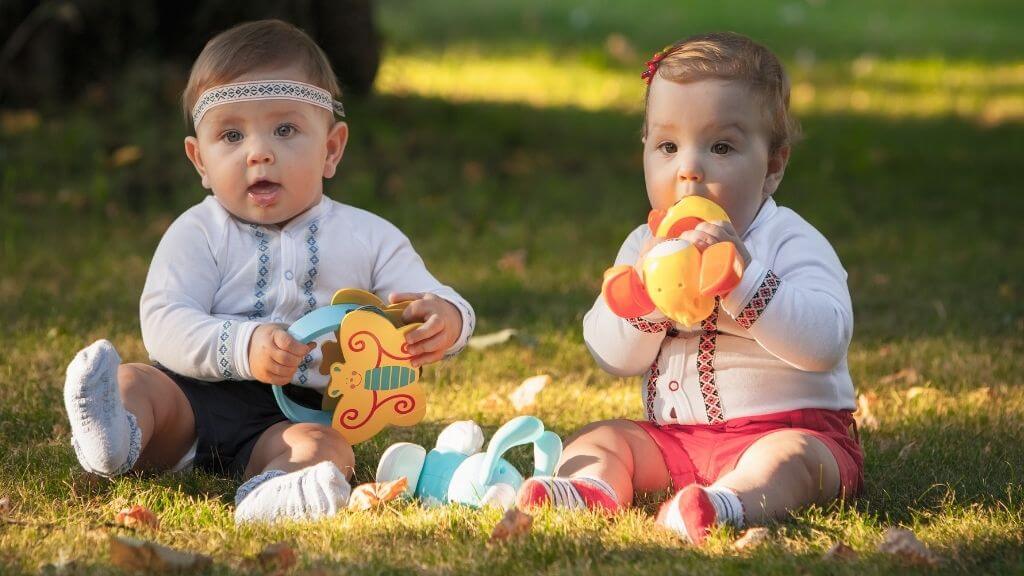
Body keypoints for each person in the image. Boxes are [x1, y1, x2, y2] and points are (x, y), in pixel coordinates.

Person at [62, 19, 475, 524]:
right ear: (200, 160)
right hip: (191, 396)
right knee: (137, 383)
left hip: (295, 414)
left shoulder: (370, 237)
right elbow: (164, 321)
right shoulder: (198, 232)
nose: (259, 151)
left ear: (331, 148)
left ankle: (275, 490)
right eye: (231, 135)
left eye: (285, 129)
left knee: (329, 450)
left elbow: (425, 295)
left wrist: (446, 320)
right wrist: (244, 345)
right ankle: (114, 435)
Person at [517, 32, 861, 545]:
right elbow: (611, 354)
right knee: (602, 437)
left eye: (721, 146)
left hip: (786, 429)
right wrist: (644, 302)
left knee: (790, 463)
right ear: (646, 152)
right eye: (668, 146)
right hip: (676, 440)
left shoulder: (789, 239)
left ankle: (729, 503)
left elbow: (825, 341)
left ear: (773, 165)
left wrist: (744, 284)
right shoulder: (644, 244)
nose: (689, 168)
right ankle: (590, 488)